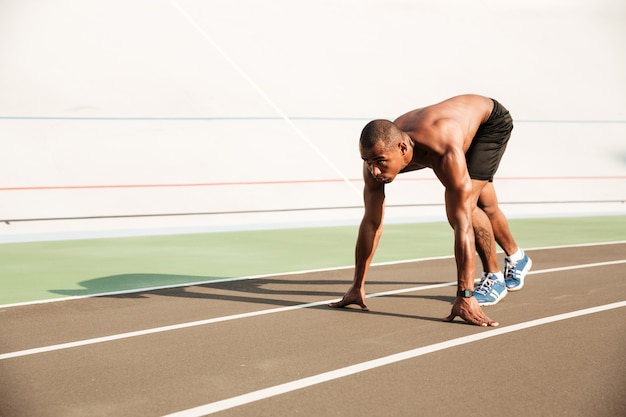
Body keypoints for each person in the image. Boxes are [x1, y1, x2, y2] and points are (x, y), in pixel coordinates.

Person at [329, 94, 532, 327]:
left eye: (380, 161)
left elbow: (462, 224)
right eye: (367, 161)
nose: (374, 170)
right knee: (486, 203)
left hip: (489, 123)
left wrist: (464, 295)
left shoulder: (442, 149)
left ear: (402, 148)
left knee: (465, 206)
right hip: (457, 128)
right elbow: (371, 222)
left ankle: (493, 276)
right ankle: (517, 257)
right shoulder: (380, 155)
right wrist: (357, 285)